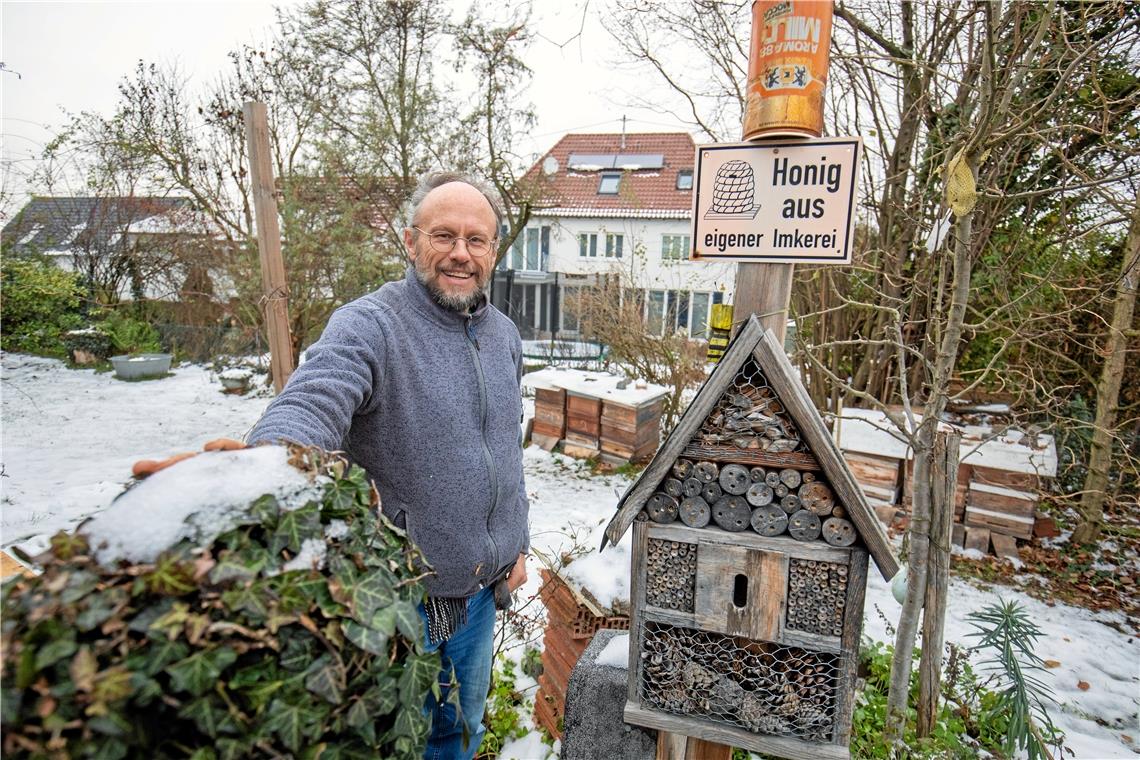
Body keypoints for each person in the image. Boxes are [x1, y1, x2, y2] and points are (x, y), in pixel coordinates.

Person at [246, 172, 530, 760]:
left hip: (480, 594)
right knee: (392, 744)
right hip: (398, 601)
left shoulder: (503, 335)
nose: (460, 253)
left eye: (476, 240)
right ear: (409, 241)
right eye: (443, 235)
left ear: (493, 251)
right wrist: (267, 465)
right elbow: (311, 401)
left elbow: (500, 447)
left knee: (461, 731)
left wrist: (512, 543)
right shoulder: (370, 326)